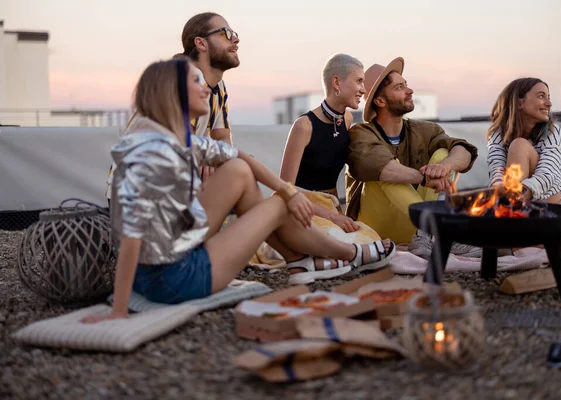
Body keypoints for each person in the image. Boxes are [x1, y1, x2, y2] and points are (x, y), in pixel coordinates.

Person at [82, 58, 395, 322]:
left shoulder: (174, 139)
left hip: (176, 252)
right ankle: (352, 253)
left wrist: (288, 190)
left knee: (239, 171)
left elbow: (241, 157)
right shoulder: (152, 153)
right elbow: (132, 234)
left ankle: (297, 260)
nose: (207, 87)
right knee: (275, 206)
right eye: (196, 80)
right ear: (172, 92)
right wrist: (119, 310)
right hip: (174, 278)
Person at [344, 57, 480, 257]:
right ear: (380, 101)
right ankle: (441, 231)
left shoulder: (425, 129)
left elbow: (464, 151)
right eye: (400, 87)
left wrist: (445, 166)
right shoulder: (360, 133)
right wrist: (425, 178)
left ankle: (430, 232)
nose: (410, 91)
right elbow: (383, 168)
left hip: (417, 231)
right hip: (375, 229)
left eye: (406, 84)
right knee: (387, 172)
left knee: (443, 154)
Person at [104, 12, 239, 204]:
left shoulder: (218, 87)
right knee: (239, 175)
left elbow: (223, 137)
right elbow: (183, 144)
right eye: (226, 33)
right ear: (201, 43)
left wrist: (216, 158)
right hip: (142, 197)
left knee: (237, 172)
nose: (236, 39)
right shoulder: (184, 79)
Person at [486, 77, 561, 248]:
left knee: (519, 145)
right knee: (515, 150)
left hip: (549, 207)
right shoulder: (498, 133)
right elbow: (496, 168)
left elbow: (549, 174)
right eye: (541, 96)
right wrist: (501, 193)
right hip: (518, 204)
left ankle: (521, 238)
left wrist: (520, 193)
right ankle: (522, 236)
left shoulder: (552, 131)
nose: (549, 104)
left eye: (549, 97)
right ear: (519, 102)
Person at [279, 54, 365, 233]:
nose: (363, 89)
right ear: (336, 82)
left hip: (333, 207)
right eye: (358, 81)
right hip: (303, 210)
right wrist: (332, 217)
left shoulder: (347, 119)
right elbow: (285, 190)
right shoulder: (304, 126)